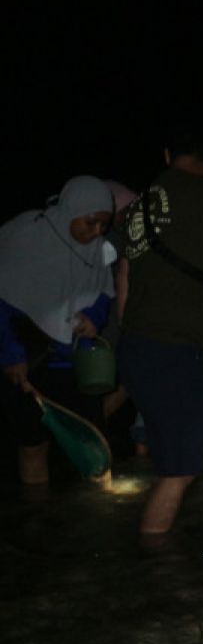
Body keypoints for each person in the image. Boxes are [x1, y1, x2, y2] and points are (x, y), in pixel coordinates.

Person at [118, 128, 203, 534]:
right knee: (181, 470)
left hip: (136, 345)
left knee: (164, 460)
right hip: (174, 350)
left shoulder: (142, 204)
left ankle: (143, 554)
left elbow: (124, 278)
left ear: (167, 154)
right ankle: (155, 568)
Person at [0, 176, 114, 484]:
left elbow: (104, 292)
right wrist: (10, 354)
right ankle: (41, 519)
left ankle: (99, 520)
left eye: (104, 224)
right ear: (71, 210)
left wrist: (94, 316)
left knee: (95, 447)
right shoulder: (24, 236)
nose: (97, 232)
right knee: (33, 445)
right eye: (91, 222)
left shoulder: (98, 249)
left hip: (75, 364)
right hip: (28, 361)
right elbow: (3, 301)